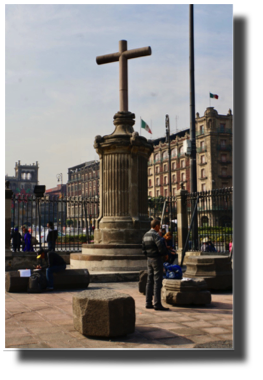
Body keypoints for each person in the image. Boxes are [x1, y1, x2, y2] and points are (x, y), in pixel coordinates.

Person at [142, 218, 169, 311]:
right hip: (156, 259)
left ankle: (148, 302)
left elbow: (143, 249)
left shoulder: (145, 235)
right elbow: (161, 247)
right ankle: (157, 303)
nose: (160, 228)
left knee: (149, 281)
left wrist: (149, 255)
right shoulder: (155, 235)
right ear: (157, 226)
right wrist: (164, 255)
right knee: (157, 281)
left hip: (149, 259)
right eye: (159, 226)